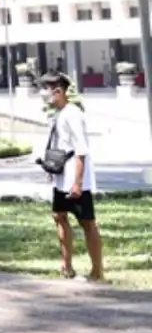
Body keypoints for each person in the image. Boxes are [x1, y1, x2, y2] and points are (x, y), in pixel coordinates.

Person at [39, 72, 105, 281]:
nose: (43, 93)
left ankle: (97, 271)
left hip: (76, 180)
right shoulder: (59, 114)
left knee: (87, 223)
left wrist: (78, 182)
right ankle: (66, 266)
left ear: (58, 91)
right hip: (62, 179)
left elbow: (81, 150)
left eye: (47, 89)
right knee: (59, 216)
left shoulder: (73, 114)